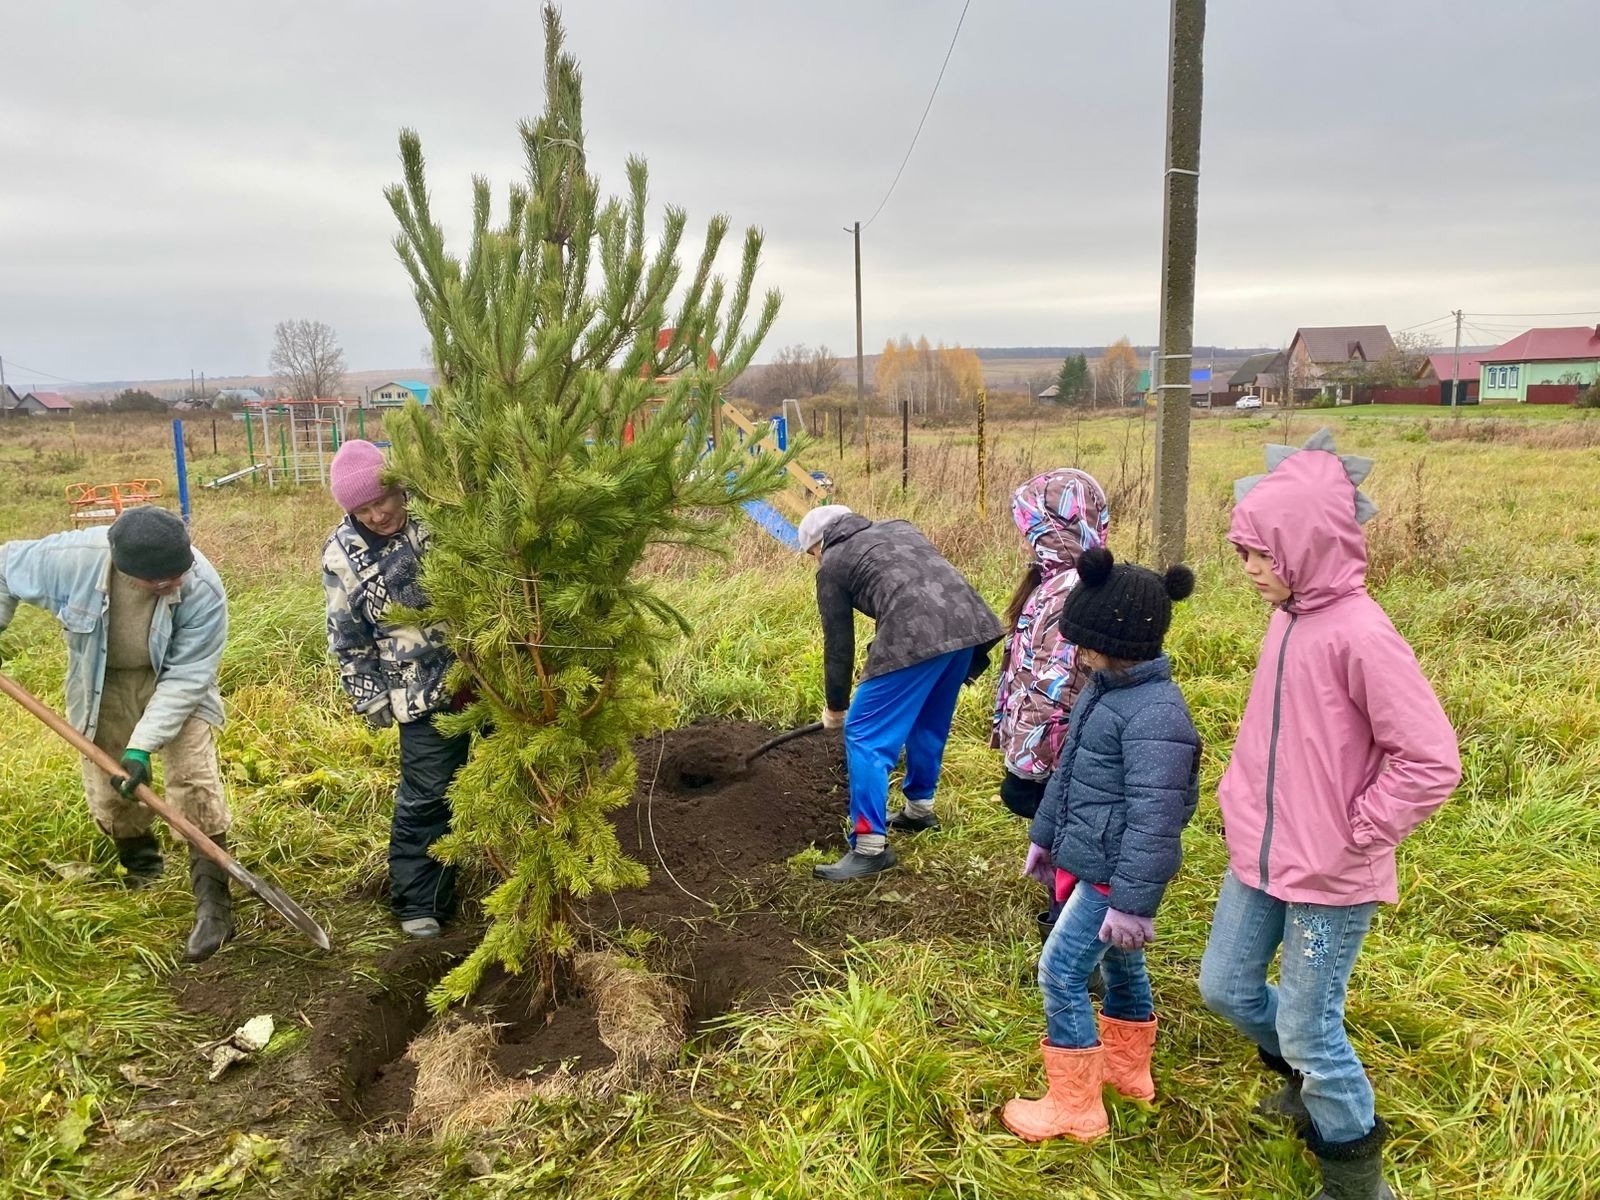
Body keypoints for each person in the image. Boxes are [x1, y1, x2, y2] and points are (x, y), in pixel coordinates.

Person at [1197, 431, 1460, 1200]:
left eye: (1259, 554)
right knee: (1225, 987)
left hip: (1331, 874)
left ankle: (1355, 1180)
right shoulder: (1289, 618)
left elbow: (1431, 759)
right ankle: (1305, 1076)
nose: (1246, 570)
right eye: (1242, 551)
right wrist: (1239, 799)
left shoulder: (1361, 635)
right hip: (1261, 852)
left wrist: (1361, 833)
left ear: (1306, 547)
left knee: (1314, 1026)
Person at [1001, 547, 1200, 1143]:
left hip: (1117, 874)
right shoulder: (1105, 689)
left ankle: (1075, 1106)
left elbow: (1157, 817)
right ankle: (1127, 1069)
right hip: (1094, 858)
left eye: (1083, 644)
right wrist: (1045, 838)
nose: (1076, 654)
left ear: (1117, 642)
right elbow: (1069, 773)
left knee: (1059, 971)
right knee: (1121, 961)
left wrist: (1132, 903)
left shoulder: (1155, 716)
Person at [0, 507, 234, 962]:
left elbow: (187, 676)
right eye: (161, 581)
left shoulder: (202, 587)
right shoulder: (70, 560)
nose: (175, 584)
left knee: (193, 779)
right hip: (101, 680)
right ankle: (142, 869)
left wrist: (142, 745)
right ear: (128, 569)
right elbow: (3, 565)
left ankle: (214, 905)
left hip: (173, 681)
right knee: (112, 790)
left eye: (178, 573)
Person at [798, 505, 1004, 882]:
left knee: (864, 737)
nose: (815, 561)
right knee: (927, 722)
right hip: (966, 626)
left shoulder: (832, 563)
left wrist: (836, 708)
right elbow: (912, 583)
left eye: (812, 554)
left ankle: (869, 847)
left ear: (818, 544)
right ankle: (920, 810)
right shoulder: (900, 527)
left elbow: (838, 646)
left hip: (915, 638)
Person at [322, 439, 468, 940]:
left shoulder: (437, 515)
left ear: (398, 487)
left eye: (382, 500)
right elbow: (346, 635)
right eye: (363, 509)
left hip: (488, 674)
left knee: (507, 776)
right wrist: (370, 694)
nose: (377, 514)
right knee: (427, 796)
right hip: (418, 690)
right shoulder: (344, 554)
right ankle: (420, 903)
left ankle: (517, 881)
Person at [991, 468, 1108, 940]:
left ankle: (1071, 935)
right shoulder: (1056, 580)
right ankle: (1062, 911)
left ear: (1054, 529)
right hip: (1051, 742)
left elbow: (1054, 685)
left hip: (1057, 746)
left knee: (1062, 826)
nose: (1027, 539)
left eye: (1033, 528)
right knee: (1059, 827)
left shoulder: (1069, 591)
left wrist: (1029, 760)